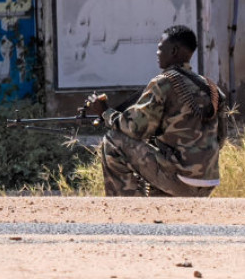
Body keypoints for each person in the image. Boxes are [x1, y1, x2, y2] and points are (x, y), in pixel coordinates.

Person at [84, 25, 228, 197]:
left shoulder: (163, 83)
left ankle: (127, 210)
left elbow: (133, 128)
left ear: (174, 51)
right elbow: (220, 139)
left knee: (113, 140)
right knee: (156, 144)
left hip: (179, 179)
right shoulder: (212, 88)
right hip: (208, 181)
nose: (157, 53)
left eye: (160, 48)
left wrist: (105, 112)